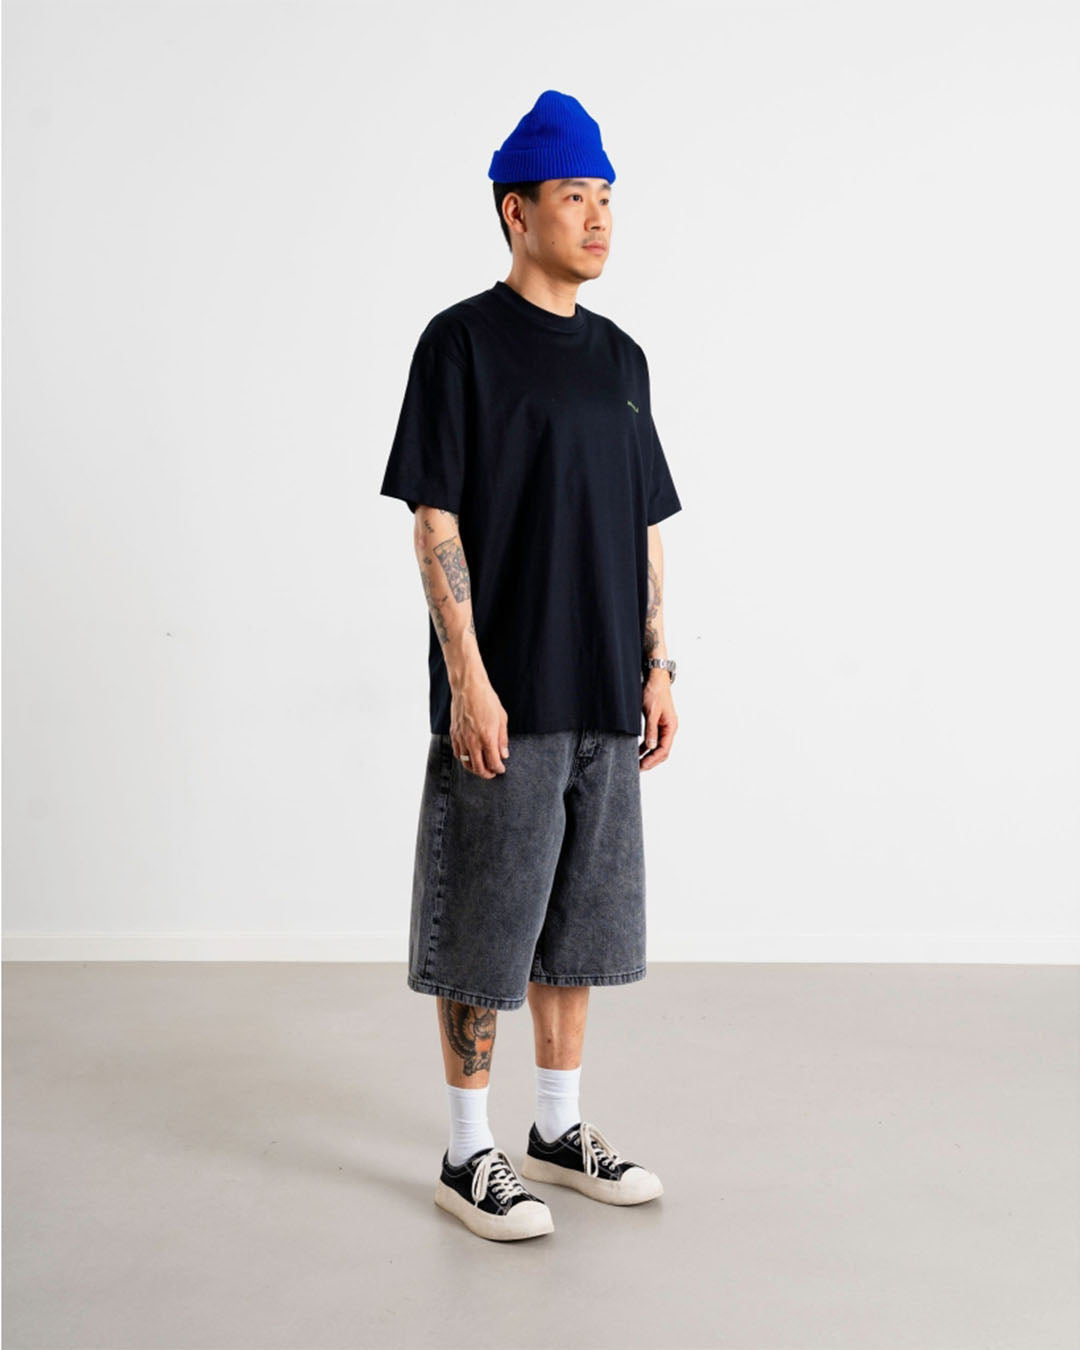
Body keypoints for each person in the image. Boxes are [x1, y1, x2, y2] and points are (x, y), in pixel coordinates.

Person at [379, 89, 682, 1242]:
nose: (599, 219)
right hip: (508, 692)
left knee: (578, 925)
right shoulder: (461, 344)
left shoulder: (623, 358)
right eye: (574, 196)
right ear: (517, 211)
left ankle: (557, 1130)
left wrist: (660, 663)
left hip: (606, 692)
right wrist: (468, 678)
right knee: (485, 925)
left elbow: (645, 524)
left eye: (608, 197)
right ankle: (468, 1152)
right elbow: (434, 520)